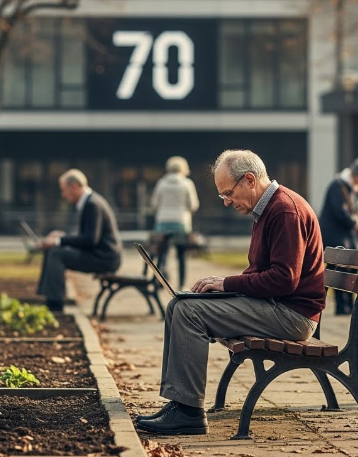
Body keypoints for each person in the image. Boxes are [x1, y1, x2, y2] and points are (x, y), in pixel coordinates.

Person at [136, 149, 326, 435]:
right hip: (277, 306)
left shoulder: (284, 210)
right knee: (180, 304)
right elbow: (264, 273)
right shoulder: (267, 208)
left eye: (228, 193)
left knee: (188, 312)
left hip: (293, 316)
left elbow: (284, 280)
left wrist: (227, 284)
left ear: (249, 180)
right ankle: (179, 403)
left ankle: (188, 413)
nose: (226, 202)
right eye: (222, 195)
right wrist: (220, 289)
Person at [37, 169, 122, 311]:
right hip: (100, 254)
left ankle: (55, 304)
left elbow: (90, 240)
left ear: (75, 186)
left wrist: (60, 240)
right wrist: (62, 237)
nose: (63, 195)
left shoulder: (92, 205)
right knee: (53, 250)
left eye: (64, 190)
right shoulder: (91, 201)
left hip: (104, 258)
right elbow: (88, 236)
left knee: (56, 254)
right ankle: (50, 299)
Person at [319, 156, 358, 315]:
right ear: (357, 174)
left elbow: (356, 210)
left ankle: (349, 306)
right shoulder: (337, 186)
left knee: (352, 269)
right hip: (335, 236)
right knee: (339, 270)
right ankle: (341, 306)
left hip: (348, 236)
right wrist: (356, 223)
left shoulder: (353, 189)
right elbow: (339, 212)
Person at [151, 156, 200, 290]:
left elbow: (154, 204)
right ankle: (182, 284)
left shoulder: (161, 183)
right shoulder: (187, 183)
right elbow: (193, 205)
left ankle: (162, 277)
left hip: (162, 221)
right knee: (181, 254)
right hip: (181, 222)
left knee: (162, 253)